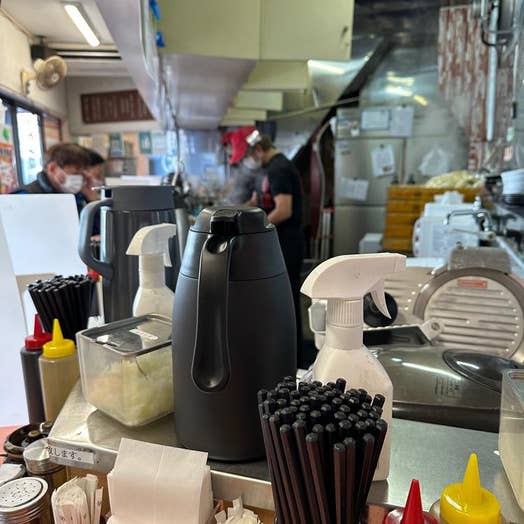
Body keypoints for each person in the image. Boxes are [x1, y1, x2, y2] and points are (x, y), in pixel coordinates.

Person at [229, 127, 306, 366]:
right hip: (276, 245)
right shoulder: (266, 170)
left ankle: (294, 358)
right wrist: (233, 213)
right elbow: (258, 202)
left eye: (248, 156)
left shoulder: (279, 169)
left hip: (287, 244)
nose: (248, 162)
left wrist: (257, 229)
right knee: (275, 300)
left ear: (259, 150)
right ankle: (280, 353)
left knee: (286, 300)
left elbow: (284, 210)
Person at [10, 143, 98, 212]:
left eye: (82, 174)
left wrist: (92, 200)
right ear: (52, 168)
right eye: (75, 173)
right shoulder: (24, 197)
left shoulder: (78, 197)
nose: (79, 178)